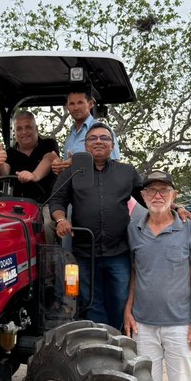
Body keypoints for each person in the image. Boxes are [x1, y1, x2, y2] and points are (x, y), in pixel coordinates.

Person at [123, 171, 191, 381]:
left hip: (180, 325)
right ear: (143, 196)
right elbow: (136, 272)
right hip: (144, 325)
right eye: (151, 191)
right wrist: (129, 308)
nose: (157, 195)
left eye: (163, 191)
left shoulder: (187, 228)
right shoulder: (134, 229)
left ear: (173, 196)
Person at [49, 122, 143, 329]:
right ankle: (99, 345)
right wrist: (61, 220)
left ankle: (120, 344)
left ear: (112, 145)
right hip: (83, 253)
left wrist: (175, 208)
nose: (98, 141)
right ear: (85, 145)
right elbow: (56, 201)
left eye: (104, 138)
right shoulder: (72, 172)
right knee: (90, 302)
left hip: (119, 252)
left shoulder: (127, 172)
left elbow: (148, 198)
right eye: (92, 138)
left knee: (120, 300)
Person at [0, 111, 60, 242]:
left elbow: (49, 159)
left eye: (28, 127)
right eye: (19, 128)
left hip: (45, 203)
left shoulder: (48, 144)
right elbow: (2, 173)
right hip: (18, 206)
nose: (24, 132)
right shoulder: (10, 152)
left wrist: (34, 176)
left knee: (46, 224)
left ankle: (50, 259)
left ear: (36, 128)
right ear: (15, 132)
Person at [51, 90, 120, 177]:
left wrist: (78, 165)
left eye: (80, 103)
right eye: (72, 104)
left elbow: (115, 166)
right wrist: (60, 167)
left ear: (90, 104)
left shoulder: (104, 130)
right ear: (67, 107)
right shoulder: (70, 136)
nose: (76, 108)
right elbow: (69, 172)